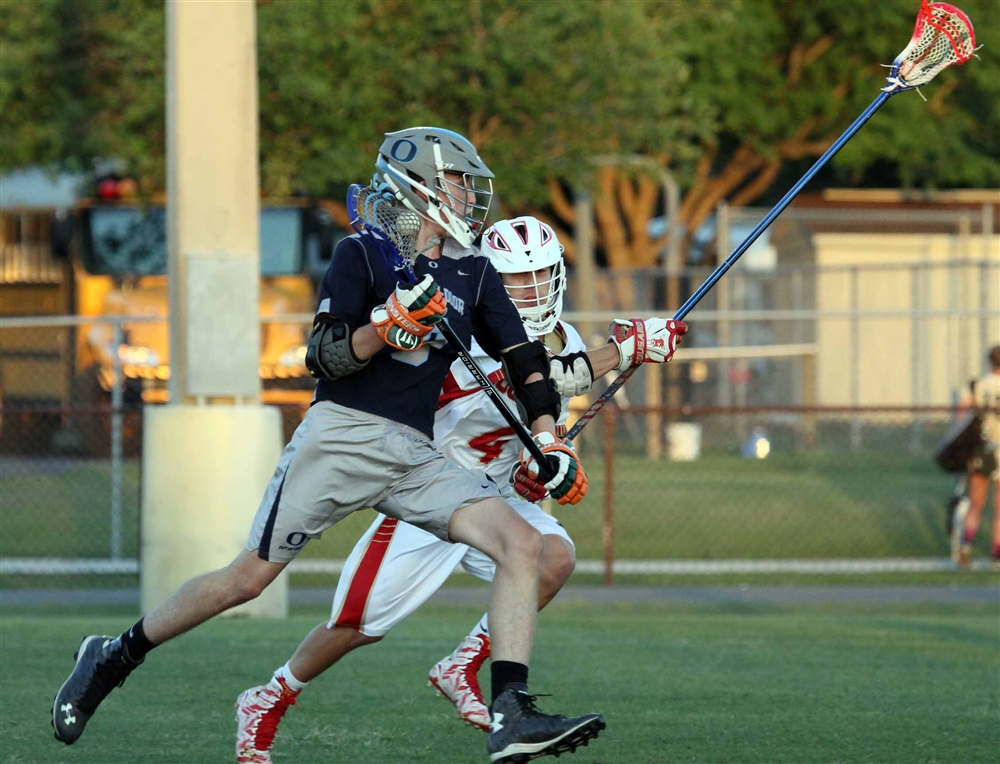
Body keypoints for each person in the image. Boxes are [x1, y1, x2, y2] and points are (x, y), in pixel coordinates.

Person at [52, 127, 603, 763]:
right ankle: (114, 654)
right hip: (343, 437)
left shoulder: (473, 273)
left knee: (526, 543)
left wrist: (546, 440)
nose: (468, 195)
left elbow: (526, 360)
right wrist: (384, 326)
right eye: (457, 181)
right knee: (246, 581)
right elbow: (325, 357)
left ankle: (511, 710)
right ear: (421, 184)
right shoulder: (362, 255)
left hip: (417, 456)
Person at [233, 215, 686, 763]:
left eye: (540, 275)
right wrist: (622, 350)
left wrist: (540, 464)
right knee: (355, 627)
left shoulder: (560, 339)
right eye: (516, 280)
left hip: (491, 496)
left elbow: (541, 411)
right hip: (424, 491)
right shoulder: (468, 331)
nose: (531, 290)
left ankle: (462, 665)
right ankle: (269, 696)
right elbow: (527, 378)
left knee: (554, 557)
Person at [953, 345, 1000, 569]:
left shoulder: (977, 385)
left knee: (976, 503)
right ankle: (996, 555)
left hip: (981, 449)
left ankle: (966, 546)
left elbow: (961, 415)